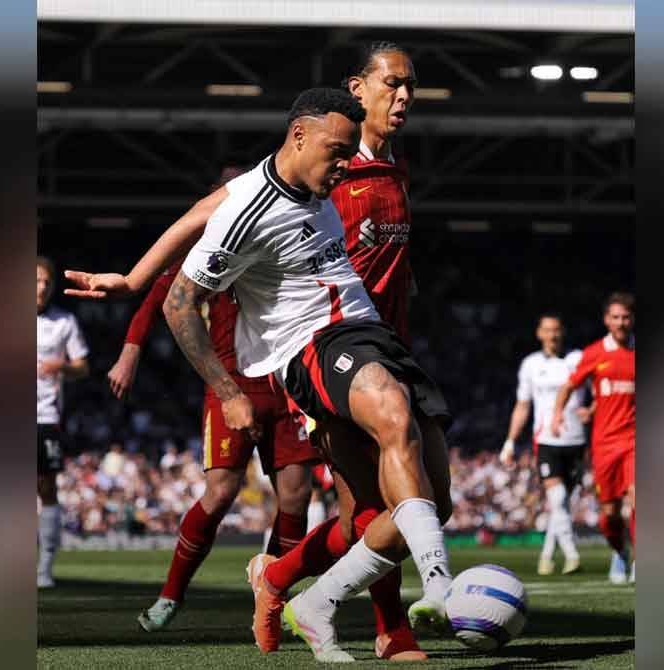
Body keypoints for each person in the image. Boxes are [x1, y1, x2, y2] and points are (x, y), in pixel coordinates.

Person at [66, 88, 454, 663]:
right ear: (299, 135)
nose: (344, 164)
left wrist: (131, 276)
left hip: (370, 332)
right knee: (394, 416)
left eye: (350, 152)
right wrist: (226, 393)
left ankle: (299, 592)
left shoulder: (292, 179)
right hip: (311, 345)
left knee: (403, 511)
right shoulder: (250, 210)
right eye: (335, 150)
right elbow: (180, 305)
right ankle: (442, 586)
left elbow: (200, 206)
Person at [245, 41, 439, 662]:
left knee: (388, 509)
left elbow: (391, 263)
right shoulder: (324, 170)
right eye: (393, 84)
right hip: (329, 357)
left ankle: (277, 579)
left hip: (387, 353)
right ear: (358, 89)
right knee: (379, 507)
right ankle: (391, 628)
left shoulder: (396, 171)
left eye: (412, 86)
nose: (404, 96)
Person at [106, 236, 319, 632]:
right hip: (230, 384)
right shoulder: (209, 250)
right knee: (220, 492)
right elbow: (159, 296)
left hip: (286, 384)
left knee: (297, 494)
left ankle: (271, 597)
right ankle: (170, 595)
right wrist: (130, 350)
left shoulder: (285, 238)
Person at [551, 292, 636, 584]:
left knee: (638, 498)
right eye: (616, 317)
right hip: (605, 443)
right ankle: (619, 552)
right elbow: (568, 386)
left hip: (635, 441)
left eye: (626, 316)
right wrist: (558, 414)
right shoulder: (595, 353)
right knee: (610, 514)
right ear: (606, 320)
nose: (621, 322)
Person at [501, 314, 591, 576]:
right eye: (547, 330)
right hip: (546, 440)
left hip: (576, 439)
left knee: (562, 504)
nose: (552, 335)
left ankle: (546, 556)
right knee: (559, 497)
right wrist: (510, 441)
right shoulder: (530, 364)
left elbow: (596, 392)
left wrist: (591, 410)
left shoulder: (579, 359)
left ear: (563, 332)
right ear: (539, 333)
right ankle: (572, 556)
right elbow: (523, 404)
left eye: (556, 330)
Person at [36, 256, 89, 588]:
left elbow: (82, 366)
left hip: (45, 415)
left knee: (46, 488)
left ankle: (44, 568)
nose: (42, 287)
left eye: (46, 282)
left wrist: (62, 367)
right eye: (36, 281)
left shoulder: (64, 321)